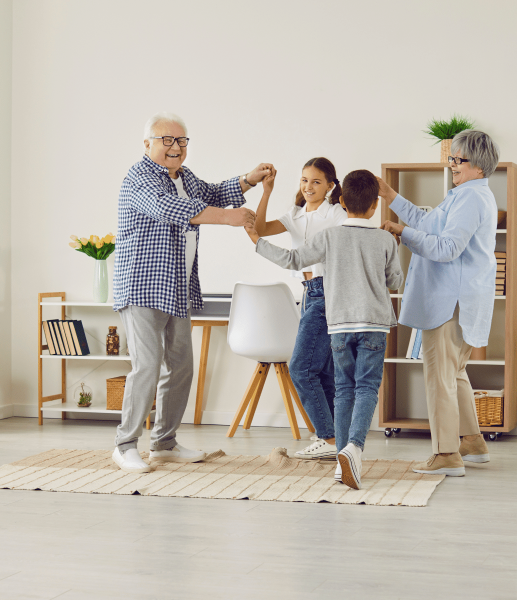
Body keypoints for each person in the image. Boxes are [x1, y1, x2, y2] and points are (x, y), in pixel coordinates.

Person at [111, 112, 272, 473]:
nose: (175, 147)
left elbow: (212, 193)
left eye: (181, 141)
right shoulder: (139, 179)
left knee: (181, 367)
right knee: (148, 365)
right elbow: (170, 209)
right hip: (141, 287)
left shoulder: (183, 177)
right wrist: (226, 218)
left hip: (175, 288)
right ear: (147, 143)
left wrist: (248, 179)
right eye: (166, 140)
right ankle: (124, 445)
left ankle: (164, 443)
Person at [245, 170, 403, 489]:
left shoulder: (329, 237)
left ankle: (340, 462)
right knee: (366, 388)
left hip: (339, 324)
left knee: (344, 388)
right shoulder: (384, 238)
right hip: (373, 325)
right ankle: (353, 449)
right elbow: (395, 282)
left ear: (342, 200)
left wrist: (257, 242)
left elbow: (292, 259)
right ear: (374, 205)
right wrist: (393, 243)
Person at [378, 129, 500, 477]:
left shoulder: (470, 199)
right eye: (451, 159)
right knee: (455, 373)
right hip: (459, 301)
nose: (452, 165)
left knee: (439, 378)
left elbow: (446, 249)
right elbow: (428, 222)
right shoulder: (466, 195)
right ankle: (472, 442)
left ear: (478, 166)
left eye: (458, 160)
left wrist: (401, 234)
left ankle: (446, 454)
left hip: (449, 303)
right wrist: (391, 196)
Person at [253, 157, 347, 460]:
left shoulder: (336, 214)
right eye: (304, 180)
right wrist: (266, 191)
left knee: (301, 368)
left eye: (317, 181)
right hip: (308, 293)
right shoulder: (295, 215)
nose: (309, 186)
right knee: (320, 371)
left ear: (330, 185)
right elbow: (260, 228)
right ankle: (337, 440)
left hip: (327, 292)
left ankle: (328, 437)